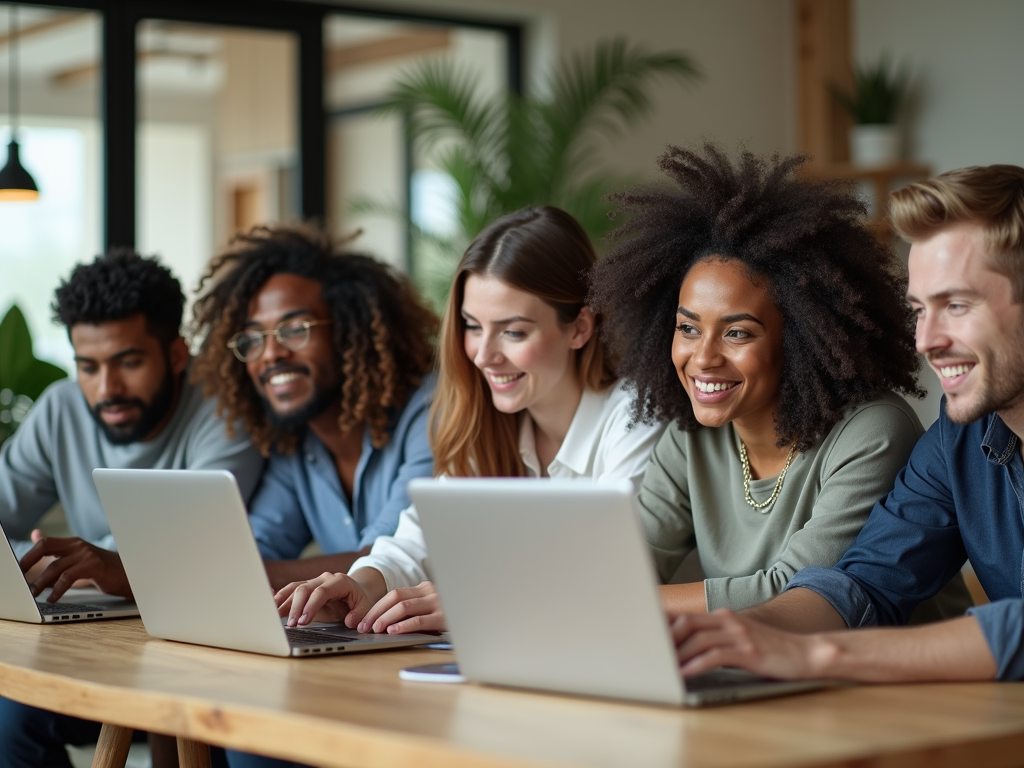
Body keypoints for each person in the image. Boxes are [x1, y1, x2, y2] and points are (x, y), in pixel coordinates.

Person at [671, 163, 1024, 683]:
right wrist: (741, 634)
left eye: (956, 304)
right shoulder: (957, 440)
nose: (926, 340)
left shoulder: (896, 429)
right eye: (920, 310)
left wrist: (822, 656)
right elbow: (865, 584)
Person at [587, 143, 972, 620]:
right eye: (687, 328)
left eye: (737, 333)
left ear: (802, 337)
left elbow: (794, 593)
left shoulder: (872, 433)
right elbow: (626, 565)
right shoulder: (688, 438)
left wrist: (618, 602)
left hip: (909, 683)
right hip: (769, 677)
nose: (702, 357)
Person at [275, 205, 666, 634]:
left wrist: (480, 601)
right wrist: (360, 585)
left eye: (513, 331)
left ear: (580, 328)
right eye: (472, 326)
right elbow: (416, 543)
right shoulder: (490, 423)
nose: (483, 354)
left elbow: (605, 574)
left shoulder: (636, 418)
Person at [0, 250, 262, 768]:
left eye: (129, 362)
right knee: (8, 719)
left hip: (200, 650)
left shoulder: (224, 411)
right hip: (96, 643)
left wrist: (107, 564)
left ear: (177, 353)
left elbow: (188, 544)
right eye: (88, 367)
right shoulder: (61, 408)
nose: (106, 389)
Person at [191, 225, 438, 589]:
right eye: (254, 338)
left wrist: (248, 575)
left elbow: (393, 558)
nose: (272, 353)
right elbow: (256, 549)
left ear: (352, 330)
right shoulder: (294, 442)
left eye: (295, 329)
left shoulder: (432, 409)